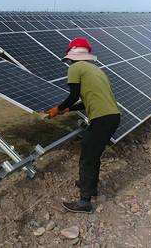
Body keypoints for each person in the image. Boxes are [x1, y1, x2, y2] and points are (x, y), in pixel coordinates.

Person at [45, 37, 120, 213]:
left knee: (87, 157)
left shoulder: (75, 68)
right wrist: (66, 110)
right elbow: (86, 101)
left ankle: (84, 202)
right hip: (113, 117)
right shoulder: (96, 71)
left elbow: (73, 95)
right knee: (93, 153)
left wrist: (59, 108)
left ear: (72, 57)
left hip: (101, 118)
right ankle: (90, 187)